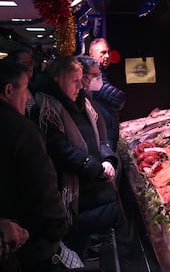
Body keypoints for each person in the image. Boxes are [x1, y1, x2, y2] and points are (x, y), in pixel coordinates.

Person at [30, 56, 122, 260]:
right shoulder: (45, 109)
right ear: (57, 78)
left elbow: (102, 135)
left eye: (82, 80)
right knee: (69, 247)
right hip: (70, 191)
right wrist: (95, 168)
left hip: (92, 187)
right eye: (74, 80)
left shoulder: (85, 101)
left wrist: (108, 159)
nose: (80, 86)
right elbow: (60, 150)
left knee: (82, 239)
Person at [0, 58, 70, 271]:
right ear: (9, 90)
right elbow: (43, 188)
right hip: (27, 241)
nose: (28, 97)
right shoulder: (22, 131)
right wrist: (58, 228)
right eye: (25, 89)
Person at [88, 38, 125, 151]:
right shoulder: (94, 74)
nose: (108, 56)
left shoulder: (102, 73)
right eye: (103, 53)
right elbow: (118, 98)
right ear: (92, 55)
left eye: (108, 52)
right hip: (105, 134)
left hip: (107, 131)